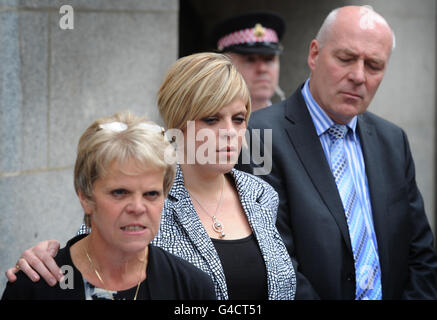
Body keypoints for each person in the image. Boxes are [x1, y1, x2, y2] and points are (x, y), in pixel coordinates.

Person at [5, 53, 296, 300]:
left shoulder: (260, 194)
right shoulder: (147, 194)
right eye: (211, 119)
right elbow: (88, 256)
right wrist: (42, 259)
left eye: (238, 119)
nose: (229, 133)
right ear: (178, 123)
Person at [237, 5, 437, 299]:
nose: (358, 76)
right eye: (346, 59)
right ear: (314, 54)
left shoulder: (393, 142)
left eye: (373, 66)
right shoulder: (259, 136)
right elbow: (274, 265)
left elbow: (421, 256)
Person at [2, 111, 216, 300]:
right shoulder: (34, 286)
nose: (137, 207)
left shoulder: (192, 287)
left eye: (151, 194)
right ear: (85, 197)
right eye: (120, 193)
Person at [211, 11, 286, 111]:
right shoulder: (205, 124)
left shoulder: (292, 122)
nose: (262, 68)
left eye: (269, 59)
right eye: (250, 60)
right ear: (224, 66)